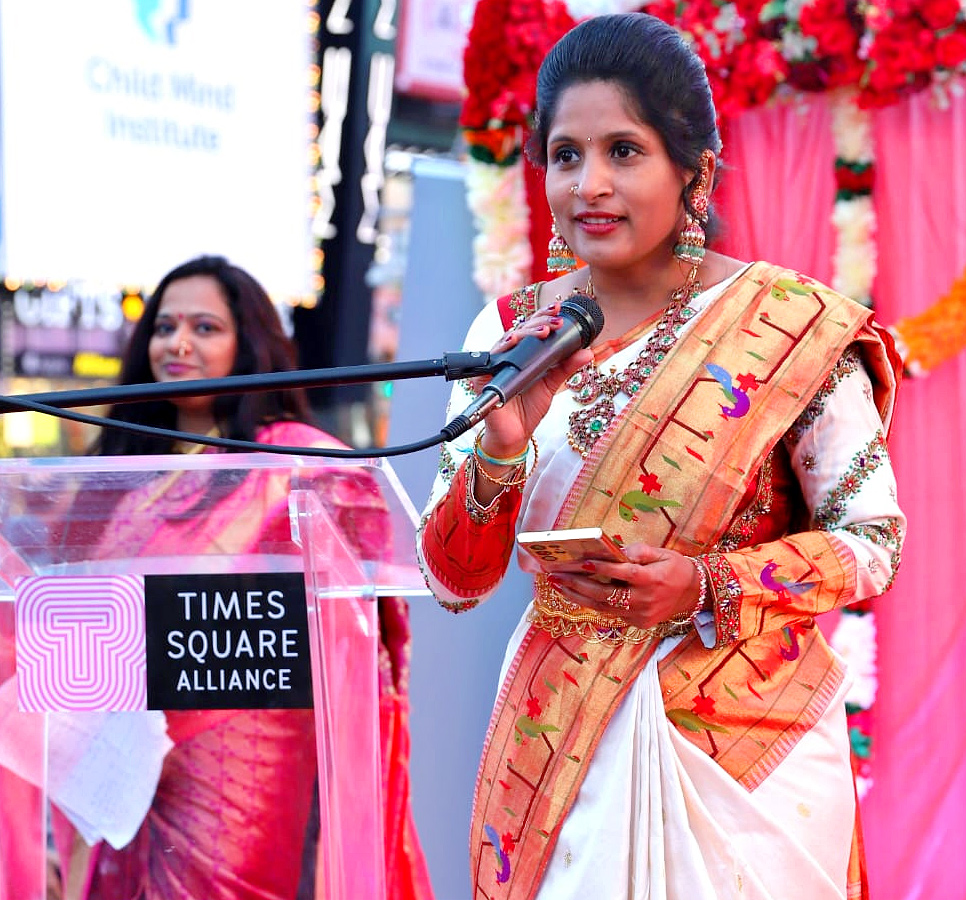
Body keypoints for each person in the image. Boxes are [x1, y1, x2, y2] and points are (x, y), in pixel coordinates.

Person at [417, 13, 905, 900]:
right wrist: (499, 447)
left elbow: (874, 542)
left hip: (742, 749)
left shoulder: (790, 326)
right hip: (559, 737)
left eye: (624, 152)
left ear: (695, 170)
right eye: (566, 155)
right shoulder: (510, 337)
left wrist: (708, 587)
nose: (589, 185)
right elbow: (455, 581)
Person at [46, 255, 431, 900]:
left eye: (205, 327)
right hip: (118, 746)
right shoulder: (120, 464)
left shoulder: (292, 459)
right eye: (165, 327)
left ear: (246, 342)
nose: (179, 343)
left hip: (241, 745)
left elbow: (362, 584)